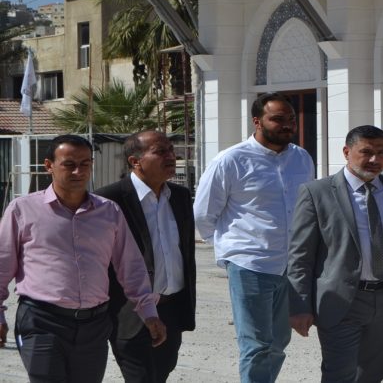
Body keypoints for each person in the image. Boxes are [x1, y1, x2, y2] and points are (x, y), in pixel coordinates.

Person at [0, 134, 165, 383]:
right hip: (41, 321)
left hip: (94, 325)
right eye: (69, 164)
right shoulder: (23, 209)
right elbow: (2, 265)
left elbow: (130, 265)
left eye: (85, 164)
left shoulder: (109, 211)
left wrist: (149, 312)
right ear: (49, 166)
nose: (78, 171)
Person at [194, 93, 315, 383]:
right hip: (249, 264)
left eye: (291, 119)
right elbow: (203, 214)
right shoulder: (231, 160)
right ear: (257, 121)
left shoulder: (301, 158)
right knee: (257, 344)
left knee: (278, 342)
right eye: (278, 119)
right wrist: (232, 249)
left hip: (290, 265)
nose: (287, 125)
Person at [287, 125, 383, 383]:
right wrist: (299, 305)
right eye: (366, 152)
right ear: (347, 152)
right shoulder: (317, 192)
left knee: (373, 374)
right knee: (339, 374)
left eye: (381, 152)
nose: (375, 159)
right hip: (341, 300)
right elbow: (300, 256)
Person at [94, 130, 197, 383]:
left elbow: (185, 252)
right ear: (135, 161)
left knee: (161, 373)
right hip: (129, 311)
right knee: (140, 376)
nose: (171, 156)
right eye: (160, 151)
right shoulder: (109, 199)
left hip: (171, 308)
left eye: (171, 150)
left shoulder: (180, 196)